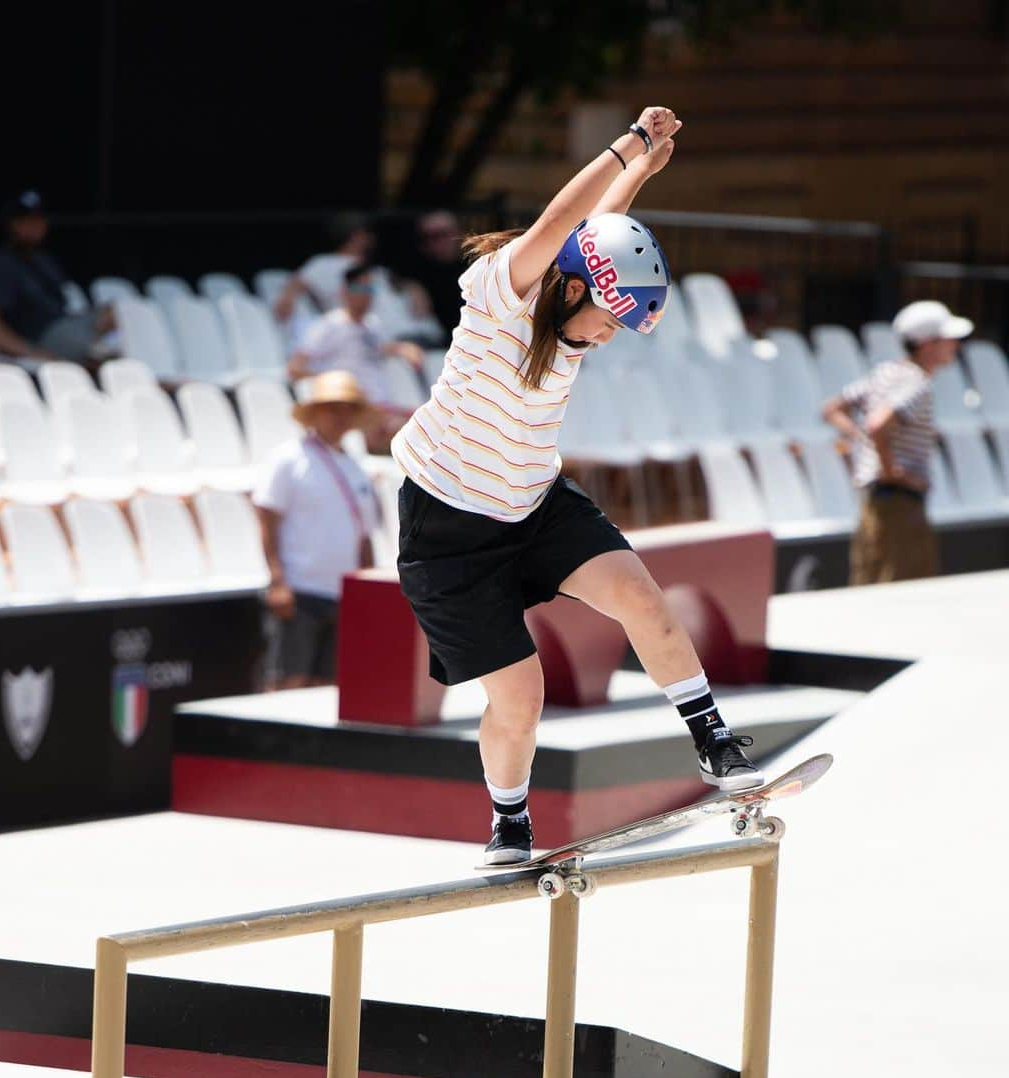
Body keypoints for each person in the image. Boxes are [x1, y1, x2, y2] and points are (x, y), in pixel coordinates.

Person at [392, 104, 764, 866]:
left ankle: (712, 741)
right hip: (449, 529)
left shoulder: (573, 302)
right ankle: (509, 822)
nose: (606, 336)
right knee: (519, 697)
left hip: (534, 503)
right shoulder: (500, 297)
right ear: (568, 288)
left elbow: (597, 232)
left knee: (641, 598)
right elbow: (564, 220)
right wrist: (626, 142)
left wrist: (640, 175)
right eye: (607, 320)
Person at [822, 299, 973, 586]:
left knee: (870, 582)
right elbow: (878, 423)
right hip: (898, 499)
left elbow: (832, 410)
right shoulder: (915, 382)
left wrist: (862, 441)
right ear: (928, 344)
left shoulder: (885, 373)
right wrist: (892, 469)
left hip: (877, 498)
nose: (956, 346)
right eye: (949, 340)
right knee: (905, 589)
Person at [254, 370, 381, 688]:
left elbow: (363, 537)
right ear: (315, 413)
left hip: (341, 594)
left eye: (347, 409)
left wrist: (364, 591)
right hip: (300, 590)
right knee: (288, 679)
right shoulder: (288, 458)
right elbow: (267, 520)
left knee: (327, 685)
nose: (340, 417)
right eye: (332, 408)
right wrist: (278, 581)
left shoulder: (355, 468)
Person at [287, 263, 425, 450]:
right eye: (360, 288)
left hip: (382, 409)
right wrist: (335, 387)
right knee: (414, 433)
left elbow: (381, 347)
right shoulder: (329, 326)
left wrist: (404, 348)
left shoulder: (372, 325)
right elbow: (295, 368)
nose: (366, 294)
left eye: (370, 288)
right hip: (354, 411)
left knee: (433, 421)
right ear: (344, 291)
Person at [0, 191, 114, 363]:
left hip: (68, 324)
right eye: (26, 220)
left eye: (39, 219)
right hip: (42, 337)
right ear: (12, 224)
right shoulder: (1, 264)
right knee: (96, 352)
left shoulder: (44, 260)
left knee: (121, 311)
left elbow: (61, 307)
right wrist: (29, 352)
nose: (34, 226)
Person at [399, 210, 465, 339]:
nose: (432, 242)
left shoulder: (475, 265)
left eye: (440, 235)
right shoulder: (417, 268)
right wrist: (411, 285)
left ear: (457, 233)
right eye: (425, 237)